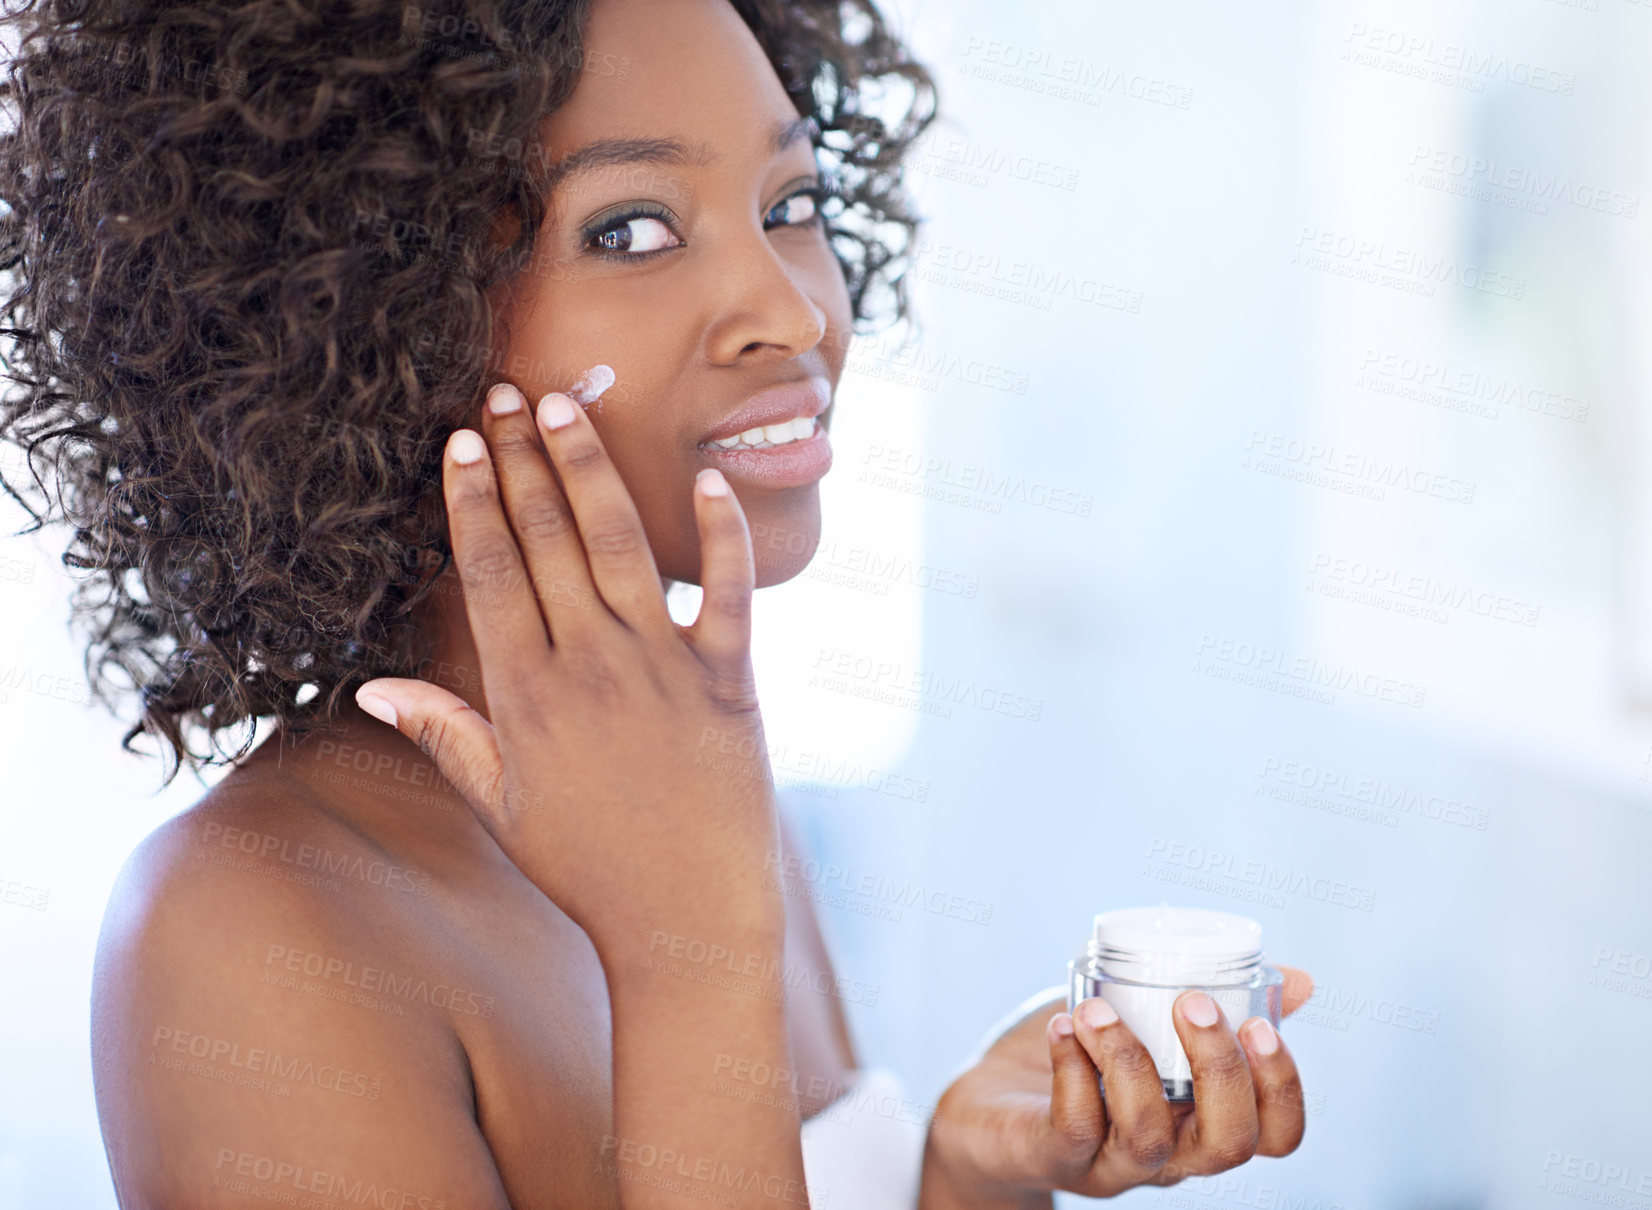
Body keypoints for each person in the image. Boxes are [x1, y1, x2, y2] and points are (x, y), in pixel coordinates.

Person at [0, 0, 1314, 1204]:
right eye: (629, 229)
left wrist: (964, 1175)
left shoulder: (698, 778)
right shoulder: (243, 932)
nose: (790, 314)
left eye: (793, 201)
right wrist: (688, 962)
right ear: (353, 317)